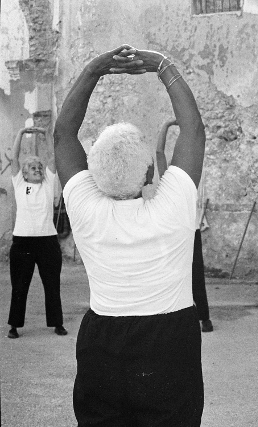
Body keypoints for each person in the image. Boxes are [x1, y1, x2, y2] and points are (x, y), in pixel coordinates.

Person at [54, 45, 206, 425]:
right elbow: (193, 129)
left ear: (93, 171)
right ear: (150, 174)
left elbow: (62, 135)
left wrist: (94, 70)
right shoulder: (172, 208)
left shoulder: (87, 210)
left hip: (103, 341)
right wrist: (162, 66)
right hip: (169, 340)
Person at [8, 126, 67, 339]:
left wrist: (45, 135)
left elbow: (52, 156)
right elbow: (14, 157)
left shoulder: (48, 183)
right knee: (19, 285)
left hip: (47, 241)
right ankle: (14, 326)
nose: (38, 169)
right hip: (23, 242)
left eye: (39, 167)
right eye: (33, 166)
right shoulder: (18, 183)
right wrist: (21, 133)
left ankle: (57, 323)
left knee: (52, 284)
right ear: (24, 172)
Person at [156, 118, 213, 333]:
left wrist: (170, 125)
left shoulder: (190, 181)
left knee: (194, 276)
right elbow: (159, 153)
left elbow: (193, 147)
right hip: (176, 234)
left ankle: (204, 318)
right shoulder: (168, 179)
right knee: (179, 277)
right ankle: (192, 318)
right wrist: (167, 125)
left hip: (188, 233)